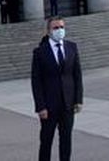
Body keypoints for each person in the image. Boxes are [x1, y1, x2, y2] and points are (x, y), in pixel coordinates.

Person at [31, 17, 82, 161]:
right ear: (48, 31)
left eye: (61, 27)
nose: (59, 30)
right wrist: (40, 107)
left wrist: (78, 99)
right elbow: (36, 82)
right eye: (55, 28)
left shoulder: (72, 47)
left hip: (68, 104)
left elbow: (77, 75)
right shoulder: (40, 52)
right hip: (49, 106)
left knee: (66, 140)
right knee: (46, 141)